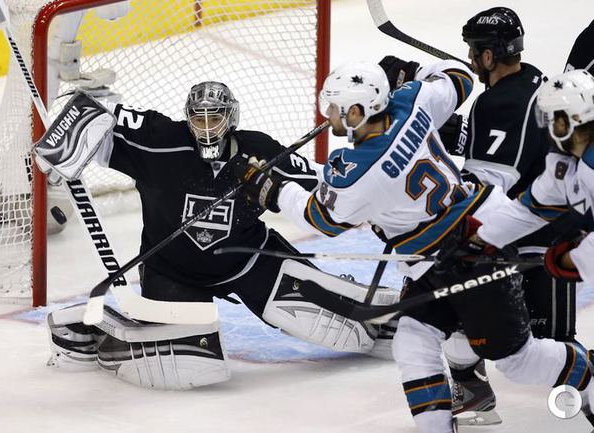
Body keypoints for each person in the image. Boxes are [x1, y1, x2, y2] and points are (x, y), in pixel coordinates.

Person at [234, 58, 594, 432]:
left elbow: (320, 219)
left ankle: (589, 376)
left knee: (518, 361)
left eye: (335, 107)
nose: (328, 114)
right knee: (413, 339)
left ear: (356, 112)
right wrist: (413, 73)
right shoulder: (412, 101)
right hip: (458, 241)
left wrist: (273, 190)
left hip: (461, 250)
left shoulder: (360, 169)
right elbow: (458, 77)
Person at [37, 81, 398, 390]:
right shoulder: (160, 140)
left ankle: (369, 310)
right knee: (193, 362)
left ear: (231, 117)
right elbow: (102, 117)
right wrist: (68, 133)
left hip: (250, 259)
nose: (207, 126)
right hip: (172, 271)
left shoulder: (260, 152)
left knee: (339, 329)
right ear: (187, 118)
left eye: (215, 117)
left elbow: (324, 189)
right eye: (199, 118)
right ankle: (97, 334)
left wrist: (373, 199)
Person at [434, 7, 575, 424]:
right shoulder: (532, 80)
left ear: (489, 55)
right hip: (544, 224)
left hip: (543, 234)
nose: (470, 58)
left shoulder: (498, 102)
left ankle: (473, 387)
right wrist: (452, 131)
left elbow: (492, 180)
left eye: (473, 50)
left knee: (551, 345)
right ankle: (472, 390)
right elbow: (515, 142)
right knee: (463, 308)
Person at [472, 68, 594, 424]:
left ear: (571, 120)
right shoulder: (563, 162)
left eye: (551, 118)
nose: (546, 127)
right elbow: (530, 210)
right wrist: (481, 239)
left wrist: (572, 259)